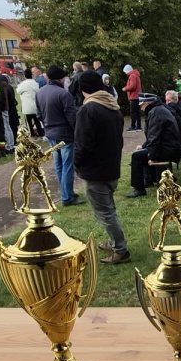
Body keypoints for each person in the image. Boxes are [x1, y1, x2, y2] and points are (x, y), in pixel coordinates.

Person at [74, 70, 131, 264]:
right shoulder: (112, 106)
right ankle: (114, 241)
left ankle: (120, 250)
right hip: (111, 166)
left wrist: (77, 163)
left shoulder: (88, 110)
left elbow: (82, 144)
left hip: (95, 170)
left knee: (105, 212)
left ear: (83, 89)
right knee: (108, 208)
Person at [35, 64, 80, 206]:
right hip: (65, 134)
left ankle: (66, 193)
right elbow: (72, 117)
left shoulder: (39, 93)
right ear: (61, 78)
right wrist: (77, 132)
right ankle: (67, 196)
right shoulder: (63, 94)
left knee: (59, 165)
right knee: (67, 165)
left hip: (50, 133)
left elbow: (39, 115)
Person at [127, 91, 181, 198]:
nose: (141, 108)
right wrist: (144, 147)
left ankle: (139, 189)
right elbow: (154, 137)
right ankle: (149, 179)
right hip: (171, 147)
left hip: (168, 150)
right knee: (143, 152)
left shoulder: (155, 113)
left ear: (147, 103)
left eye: (141, 105)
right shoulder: (158, 110)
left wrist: (152, 157)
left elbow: (154, 138)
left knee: (136, 156)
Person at [16, 67, 42, 136]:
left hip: (27, 107)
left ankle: (32, 134)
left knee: (29, 122)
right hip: (35, 105)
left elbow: (18, 91)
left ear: (24, 75)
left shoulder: (23, 84)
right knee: (37, 121)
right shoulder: (35, 83)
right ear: (32, 75)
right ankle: (40, 133)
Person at [122, 63, 143, 131]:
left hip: (134, 97)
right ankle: (139, 126)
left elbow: (132, 86)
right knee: (137, 112)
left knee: (133, 112)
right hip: (137, 96)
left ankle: (133, 126)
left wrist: (125, 88)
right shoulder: (136, 75)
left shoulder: (132, 76)